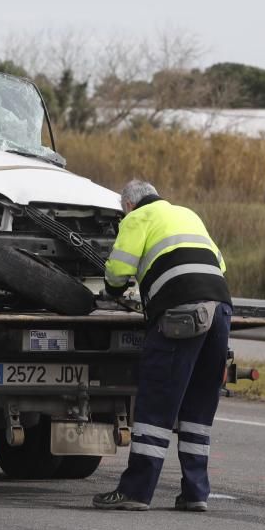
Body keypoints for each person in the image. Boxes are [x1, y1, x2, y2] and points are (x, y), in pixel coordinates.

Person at [93, 180, 232, 511]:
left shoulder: (136, 219)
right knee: (198, 408)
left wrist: (110, 294)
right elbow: (220, 265)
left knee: (156, 404)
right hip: (220, 310)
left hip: (181, 313)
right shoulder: (186, 214)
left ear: (128, 204)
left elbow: (119, 268)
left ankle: (136, 492)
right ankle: (196, 493)